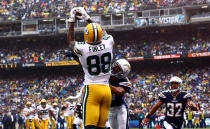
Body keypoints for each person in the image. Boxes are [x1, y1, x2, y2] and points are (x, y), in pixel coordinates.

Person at [67, 7, 114, 129]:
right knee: (101, 127)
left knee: (89, 126)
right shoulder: (108, 42)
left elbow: (71, 42)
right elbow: (103, 32)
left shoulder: (83, 48)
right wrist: (87, 17)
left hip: (92, 89)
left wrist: (72, 21)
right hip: (106, 90)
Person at [108, 59, 131, 129]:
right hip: (109, 109)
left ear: (122, 73)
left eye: (117, 69)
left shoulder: (125, 81)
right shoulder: (105, 75)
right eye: (115, 66)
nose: (113, 69)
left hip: (120, 108)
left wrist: (104, 84)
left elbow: (119, 91)